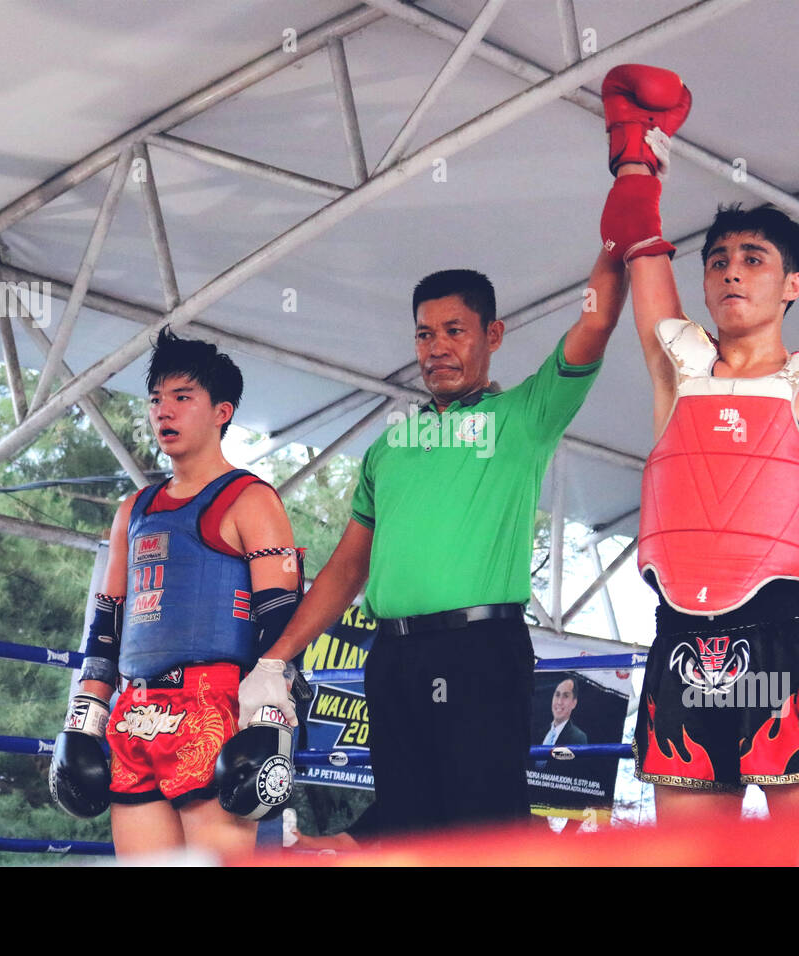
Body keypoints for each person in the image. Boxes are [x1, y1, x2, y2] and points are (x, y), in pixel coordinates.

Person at [239, 182, 645, 833]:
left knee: (482, 829)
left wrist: (619, 235)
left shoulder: (524, 416)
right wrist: (273, 658)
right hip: (393, 659)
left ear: (493, 334)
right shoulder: (389, 448)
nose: (436, 347)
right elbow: (346, 570)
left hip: (482, 651)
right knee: (404, 825)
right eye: (424, 334)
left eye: (454, 331)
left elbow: (595, 322)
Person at [612, 65, 799, 819]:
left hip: (786, 647)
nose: (731, 272)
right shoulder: (678, 368)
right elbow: (640, 247)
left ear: (792, 284)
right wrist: (634, 154)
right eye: (718, 261)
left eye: (753, 260)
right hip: (677, 643)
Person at [49, 329, 302, 858]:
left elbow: (282, 624)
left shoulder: (250, 500)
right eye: (156, 400)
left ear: (221, 411)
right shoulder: (132, 511)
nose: (164, 411)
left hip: (215, 707)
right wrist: (84, 716)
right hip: (134, 708)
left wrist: (269, 724)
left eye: (182, 397)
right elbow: (107, 623)